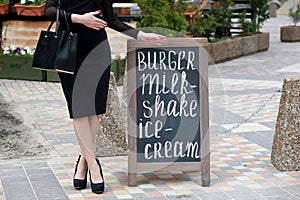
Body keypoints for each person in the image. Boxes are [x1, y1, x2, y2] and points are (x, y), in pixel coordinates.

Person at [45, 0, 166, 194]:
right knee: (79, 110)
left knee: (94, 110)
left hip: (97, 50)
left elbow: (111, 19)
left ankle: (84, 161)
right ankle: (94, 166)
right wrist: (80, 19)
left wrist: (141, 35)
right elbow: (48, 10)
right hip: (68, 49)